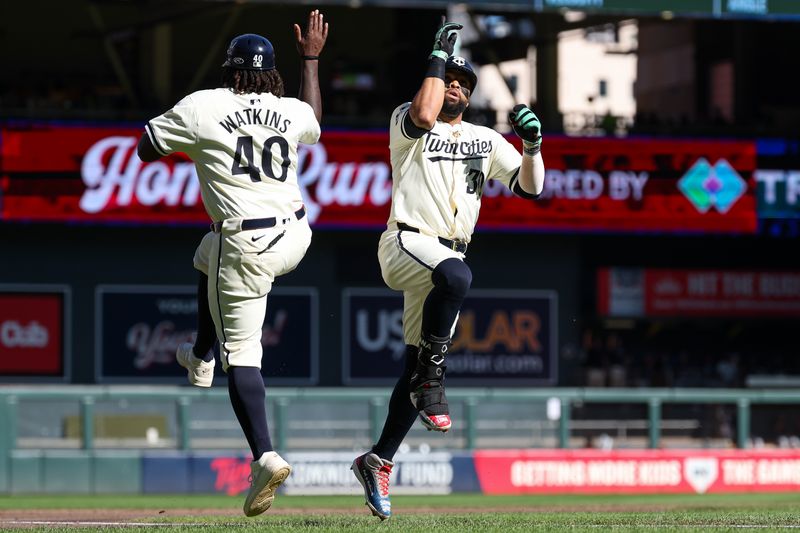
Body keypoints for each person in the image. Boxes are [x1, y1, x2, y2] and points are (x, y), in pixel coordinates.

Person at [350, 21, 545, 520]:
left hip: (447, 253)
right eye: (447, 79)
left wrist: (531, 149)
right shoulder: (408, 121)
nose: (454, 85)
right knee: (458, 279)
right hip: (407, 242)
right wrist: (436, 58)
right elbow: (422, 112)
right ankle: (432, 379)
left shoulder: (484, 138)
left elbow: (531, 189)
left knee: (414, 365)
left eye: (463, 81)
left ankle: (378, 459)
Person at [137, 10, 328, 517]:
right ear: (269, 74)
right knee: (206, 254)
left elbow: (145, 148)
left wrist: (196, 142)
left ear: (230, 70)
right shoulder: (288, 109)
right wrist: (310, 57)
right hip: (296, 234)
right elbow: (315, 121)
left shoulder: (205, 105)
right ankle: (200, 354)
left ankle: (264, 455)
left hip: (246, 244)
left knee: (242, 353)